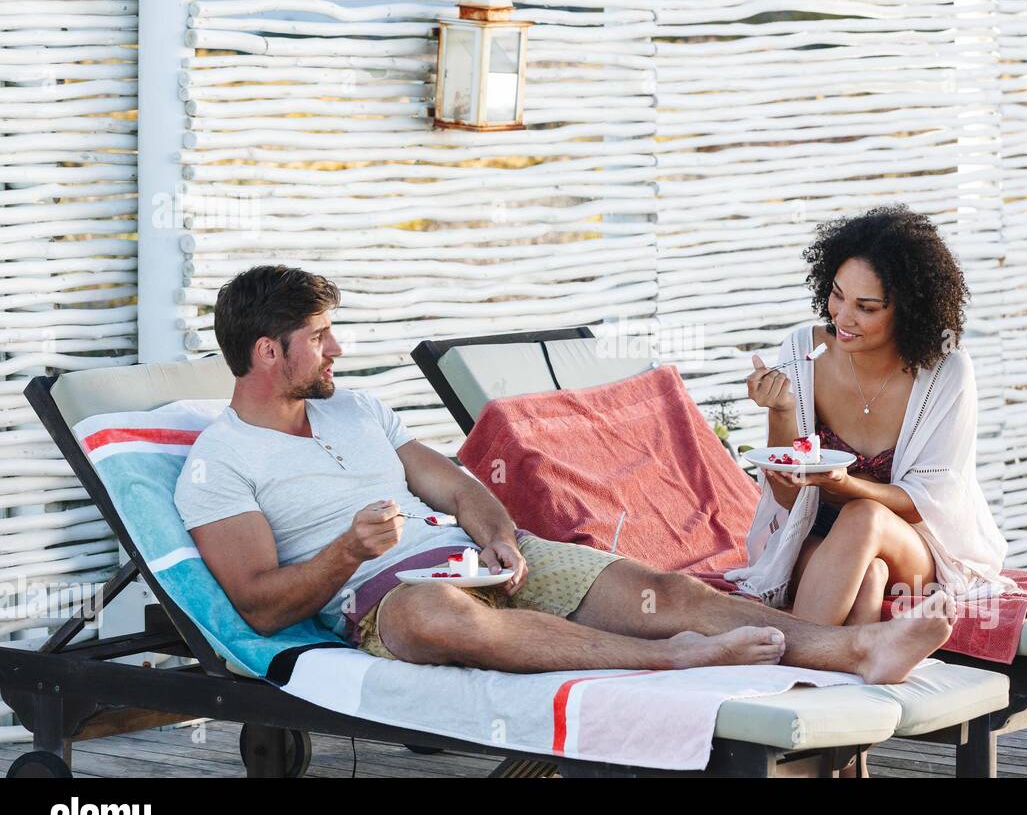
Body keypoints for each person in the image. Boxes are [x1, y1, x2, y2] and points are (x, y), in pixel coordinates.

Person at [173, 264, 956, 684]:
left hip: (475, 563)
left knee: (671, 592)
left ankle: (856, 653)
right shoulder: (221, 464)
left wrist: (501, 538)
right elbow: (260, 606)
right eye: (320, 336)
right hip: (387, 598)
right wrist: (349, 551)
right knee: (433, 619)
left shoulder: (359, 409)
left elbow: (453, 485)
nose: (337, 349)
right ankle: (669, 658)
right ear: (269, 353)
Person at [730, 205, 1017, 626]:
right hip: (817, 528)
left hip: (915, 540)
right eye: (838, 294)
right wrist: (783, 408)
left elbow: (922, 505)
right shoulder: (800, 351)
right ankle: (858, 659)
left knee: (862, 517)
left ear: (909, 308)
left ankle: (795, 659)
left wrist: (846, 486)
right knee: (867, 579)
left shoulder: (946, 372)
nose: (843, 318)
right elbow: (789, 498)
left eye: (867, 307)